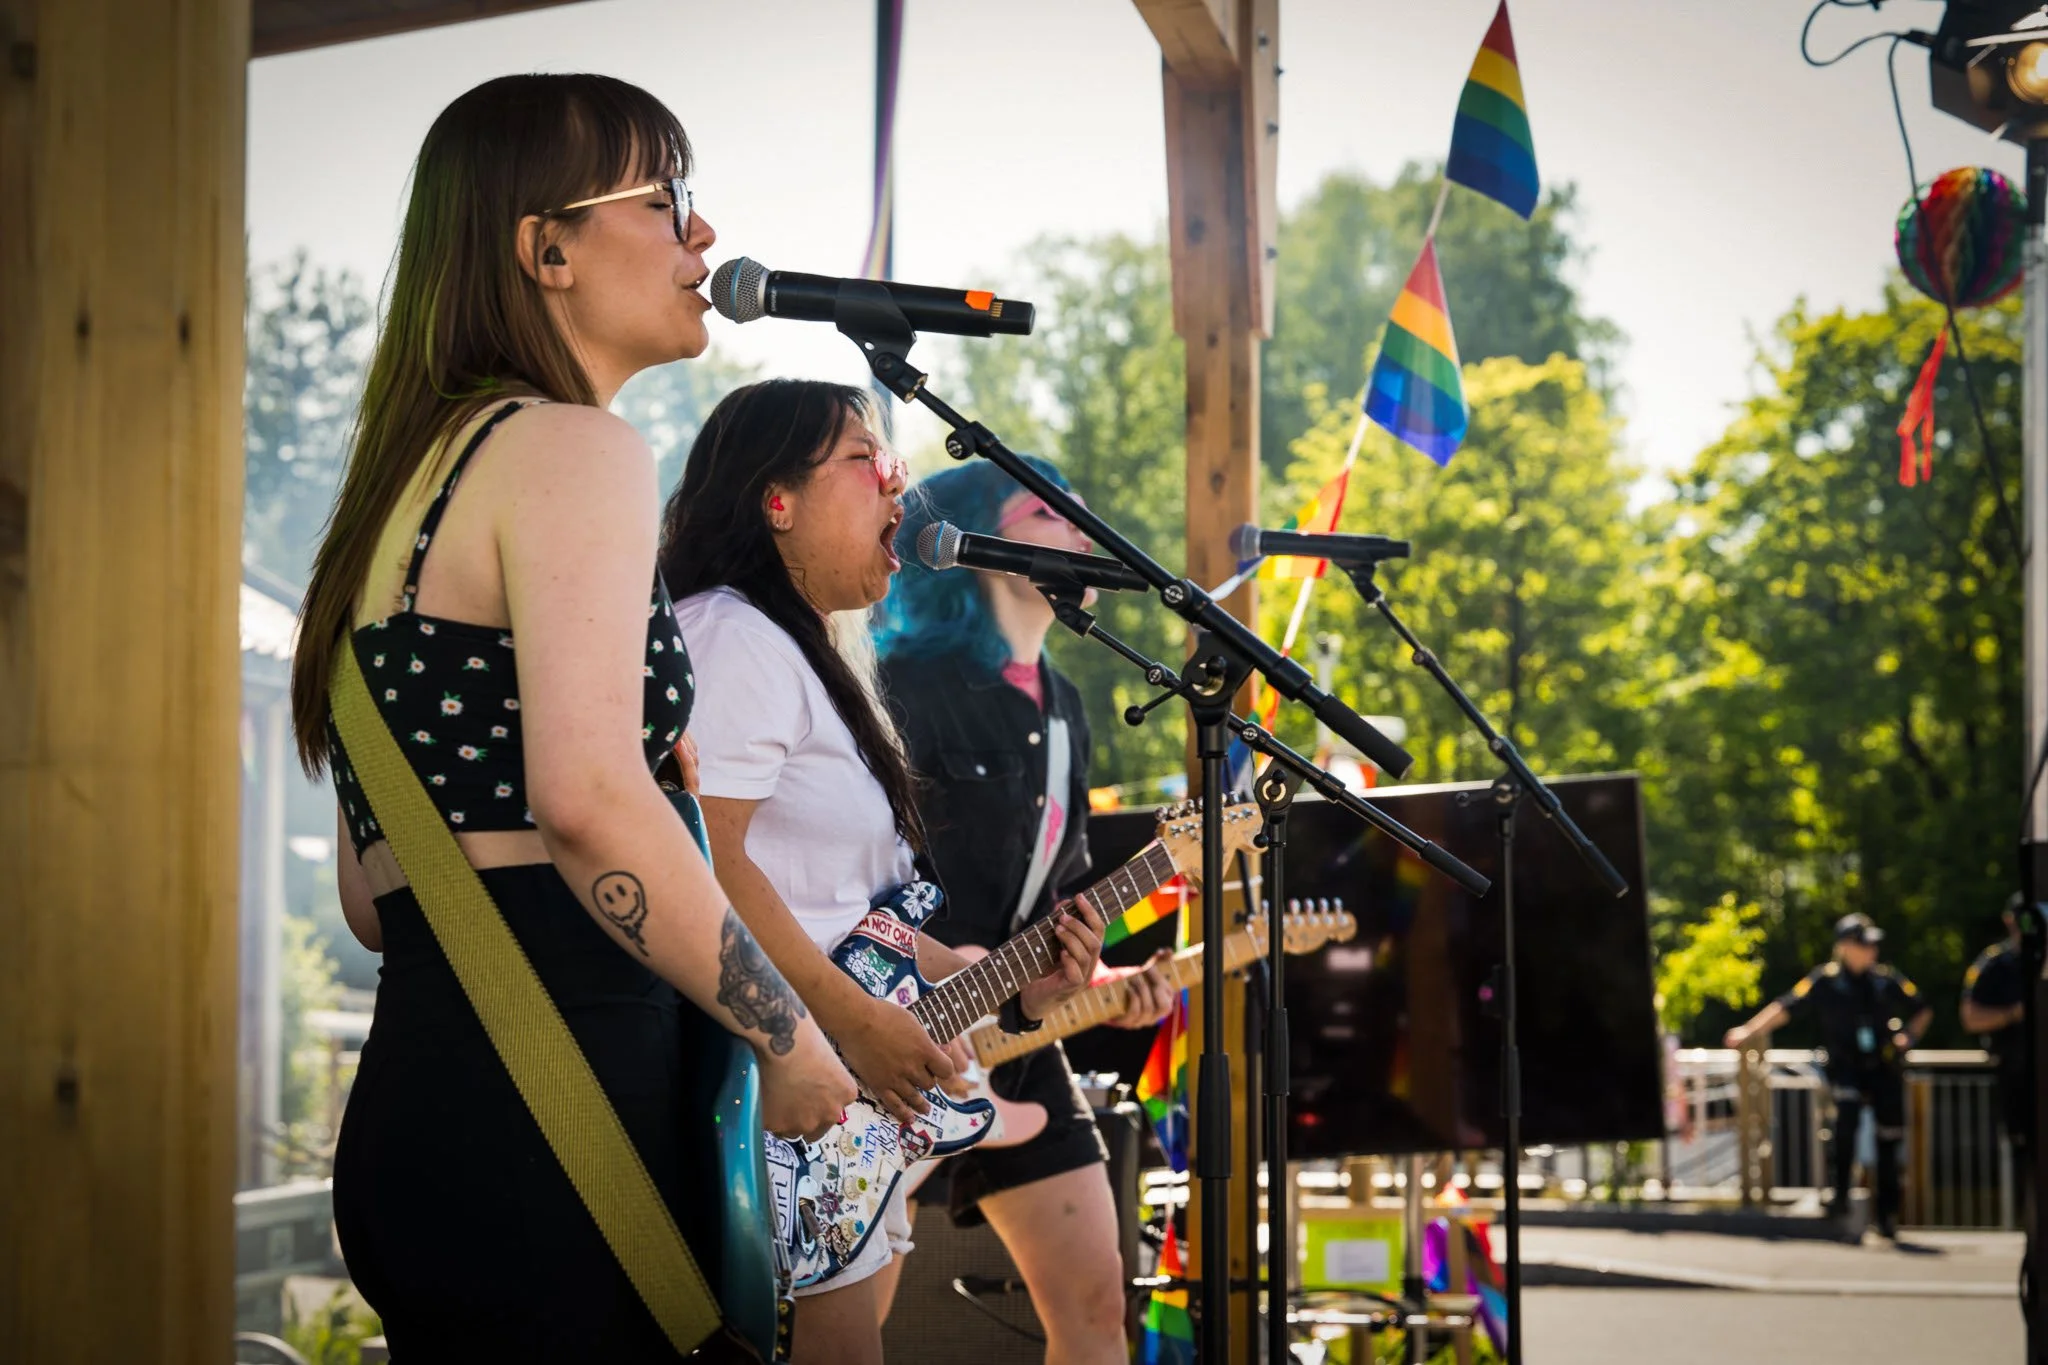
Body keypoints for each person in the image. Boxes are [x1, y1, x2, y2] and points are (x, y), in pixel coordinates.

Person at [289, 75, 855, 1360]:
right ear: (545, 248)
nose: (703, 237)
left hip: (428, 1096)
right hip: (571, 1100)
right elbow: (589, 808)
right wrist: (788, 1034)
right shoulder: (572, 450)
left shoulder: (397, 499)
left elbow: (376, 900)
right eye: (666, 200)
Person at [661, 380, 1106, 1365]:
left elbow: (852, 914)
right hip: (781, 1082)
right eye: (868, 461)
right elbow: (703, 860)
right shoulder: (732, 634)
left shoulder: (800, 649)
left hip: (831, 1092)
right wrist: (847, 1026)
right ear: (775, 497)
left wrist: (1002, 981)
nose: (899, 492)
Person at [870, 458, 1176, 1361]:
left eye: (1082, 511)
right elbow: (836, 878)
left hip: (1019, 1045)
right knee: (845, 1329)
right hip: (887, 1049)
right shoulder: (901, 690)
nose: (1082, 527)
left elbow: (1053, 904)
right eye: (1048, 510)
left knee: (1097, 1310)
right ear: (975, 542)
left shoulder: (1069, 706)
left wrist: (1098, 976)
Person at [1725, 912, 1931, 1240]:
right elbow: (1786, 1007)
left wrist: (1908, 1037)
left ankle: (1888, 1217)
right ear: (1845, 946)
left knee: (1889, 1141)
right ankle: (1840, 1199)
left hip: (1883, 1070)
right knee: (1843, 1132)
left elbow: (1922, 1008)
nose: (1871, 951)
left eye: (1873, 944)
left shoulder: (1886, 981)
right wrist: (1749, 1031)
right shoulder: (1825, 982)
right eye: (1864, 944)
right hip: (1845, 1069)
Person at [1962, 895, 2031, 1198]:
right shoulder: (1993, 964)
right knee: (2022, 1154)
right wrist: (2014, 1014)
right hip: (2014, 1073)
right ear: (2010, 921)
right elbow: (1970, 1017)